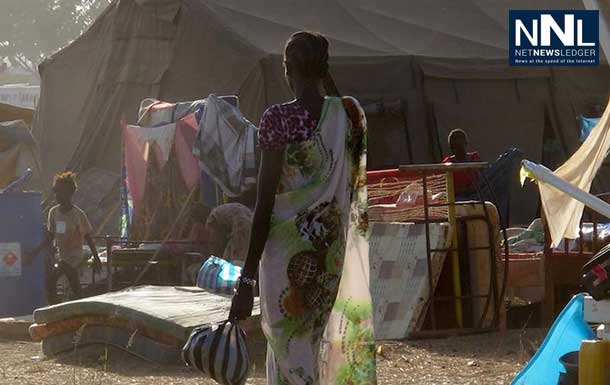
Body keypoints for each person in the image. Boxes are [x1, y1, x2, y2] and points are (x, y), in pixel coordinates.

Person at [229, 31, 376, 385]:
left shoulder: (278, 119)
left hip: (285, 262)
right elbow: (342, 116)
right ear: (324, 69)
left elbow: (264, 204)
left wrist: (246, 280)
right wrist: (325, 76)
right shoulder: (349, 114)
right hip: (329, 257)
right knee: (311, 343)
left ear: (288, 68)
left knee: (291, 352)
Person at [25, 171, 101, 303]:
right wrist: (33, 253)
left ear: (70, 193)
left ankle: (70, 307)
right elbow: (50, 237)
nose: (57, 195)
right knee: (69, 282)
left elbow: (88, 237)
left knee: (53, 278)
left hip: (75, 255)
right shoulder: (53, 213)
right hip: (63, 256)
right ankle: (61, 307)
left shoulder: (78, 214)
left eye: (60, 192)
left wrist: (96, 257)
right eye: (56, 192)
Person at [442, 129, 481, 195]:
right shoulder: (448, 164)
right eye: (454, 147)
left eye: (460, 146)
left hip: (477, 195)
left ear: (466, 144)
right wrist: (464, 190)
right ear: (451, 148)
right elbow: (446, 188)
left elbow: (482, 179)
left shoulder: (475, 159)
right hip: (458, 198)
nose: (457, 150)